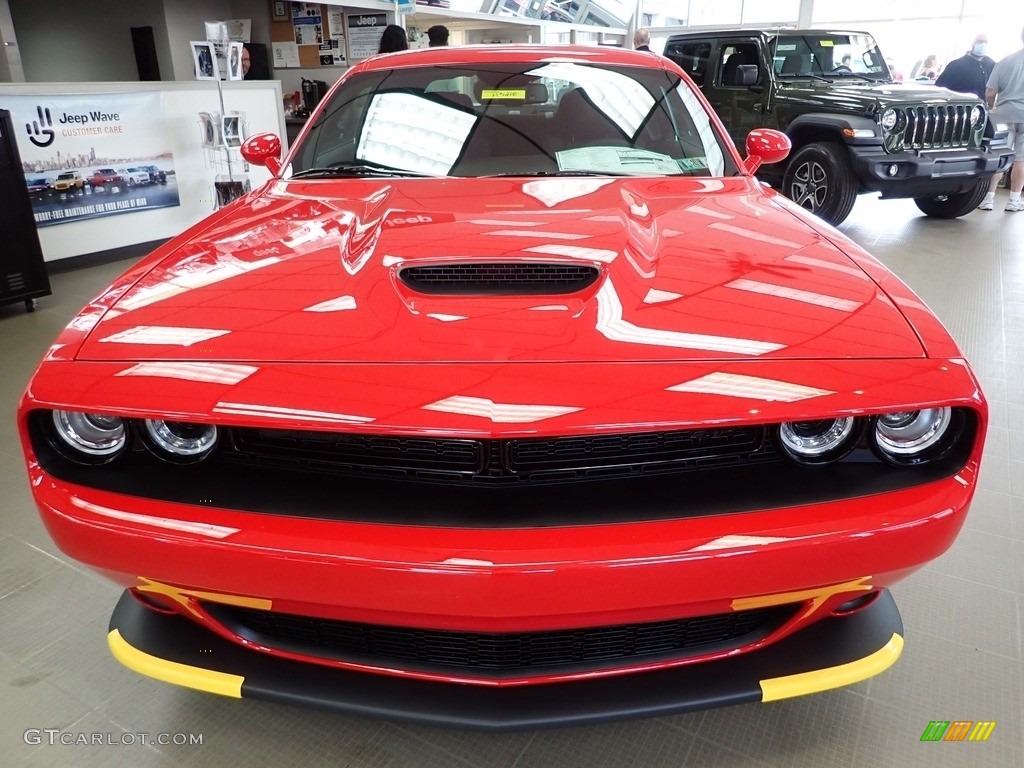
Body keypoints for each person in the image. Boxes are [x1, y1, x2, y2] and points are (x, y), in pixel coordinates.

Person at [979, 26, 1024, 212]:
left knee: (1000, 155)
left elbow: (990, 92)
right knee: (1021, 159)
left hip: (1004, 114)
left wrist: (992, 107)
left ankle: (988, 198)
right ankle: (1014, 201)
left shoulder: (1006, 61)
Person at [935, 34, 994, 99]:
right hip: (962, 105)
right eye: (980, 41)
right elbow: (939, 88)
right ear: (973, 44)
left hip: (982, 106)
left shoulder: (990, 64)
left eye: (986, 42)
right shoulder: (956, 65)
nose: (983, 44)